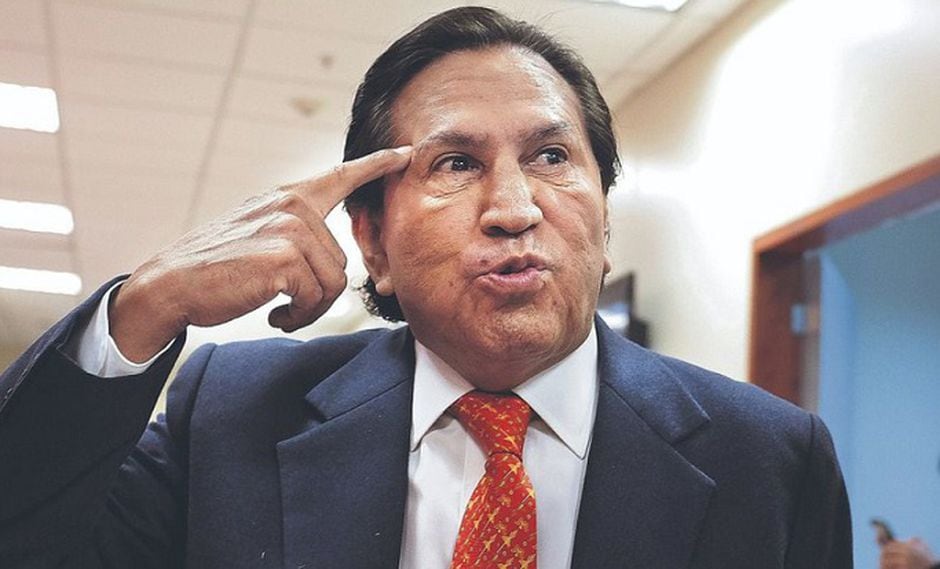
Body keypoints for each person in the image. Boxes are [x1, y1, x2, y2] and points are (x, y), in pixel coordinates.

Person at [0, 6, 851, 568]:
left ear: (604, 216)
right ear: (373, 240)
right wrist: (143, 307)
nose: (514, 208)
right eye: (456, 164)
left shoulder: (770, 459)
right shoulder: (232, 414)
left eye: (553, 156)